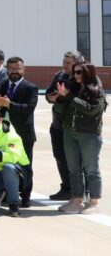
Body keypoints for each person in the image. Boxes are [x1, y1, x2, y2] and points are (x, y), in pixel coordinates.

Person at [56, 63, 106, 215]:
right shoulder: (74, 88)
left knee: (91, 169)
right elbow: (61, 109)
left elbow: (90, 110)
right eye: (75, 72)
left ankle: (94, 202)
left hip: (89, 135)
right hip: (70, 133)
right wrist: (59, 98)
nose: (76, 75)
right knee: (73, 169)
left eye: (79, 73)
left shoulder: (97, 92)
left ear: (88, 73)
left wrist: (69, 96)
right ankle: (77, 200)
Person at [0, 56, 39, 207]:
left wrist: (9, 104)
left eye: (17, 69)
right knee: (6, 164)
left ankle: (26, 196)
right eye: (11, 69)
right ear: (7, 69)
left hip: (24, 135)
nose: (14, 72)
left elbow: (28, 109)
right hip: (4, 135)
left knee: (25, 166)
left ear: (23, 69)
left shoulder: (30, 88)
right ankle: (7, 193)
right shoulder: (1, 85)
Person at [45, 51, 85, 201]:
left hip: (73, 127)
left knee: (76, 160)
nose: (64, 65)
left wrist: (61, 97)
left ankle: (81, 190)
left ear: (77, 64)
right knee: (60, 157)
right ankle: (66, 188)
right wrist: (52, 98)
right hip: (57, 124)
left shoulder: (82, 78)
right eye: (64, 61)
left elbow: (76, 98)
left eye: (68, 63)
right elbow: (48, 94)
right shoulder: (59, 75)